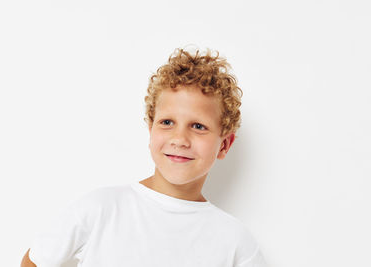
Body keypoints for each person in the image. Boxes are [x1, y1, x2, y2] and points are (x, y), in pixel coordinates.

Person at [21, 47, 268, 267]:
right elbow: (35, 260)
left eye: (198, 126)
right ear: (151, 129)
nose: (180, 139)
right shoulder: (101, 209)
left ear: (224, 145)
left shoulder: (235, 243)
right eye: (167, 122)